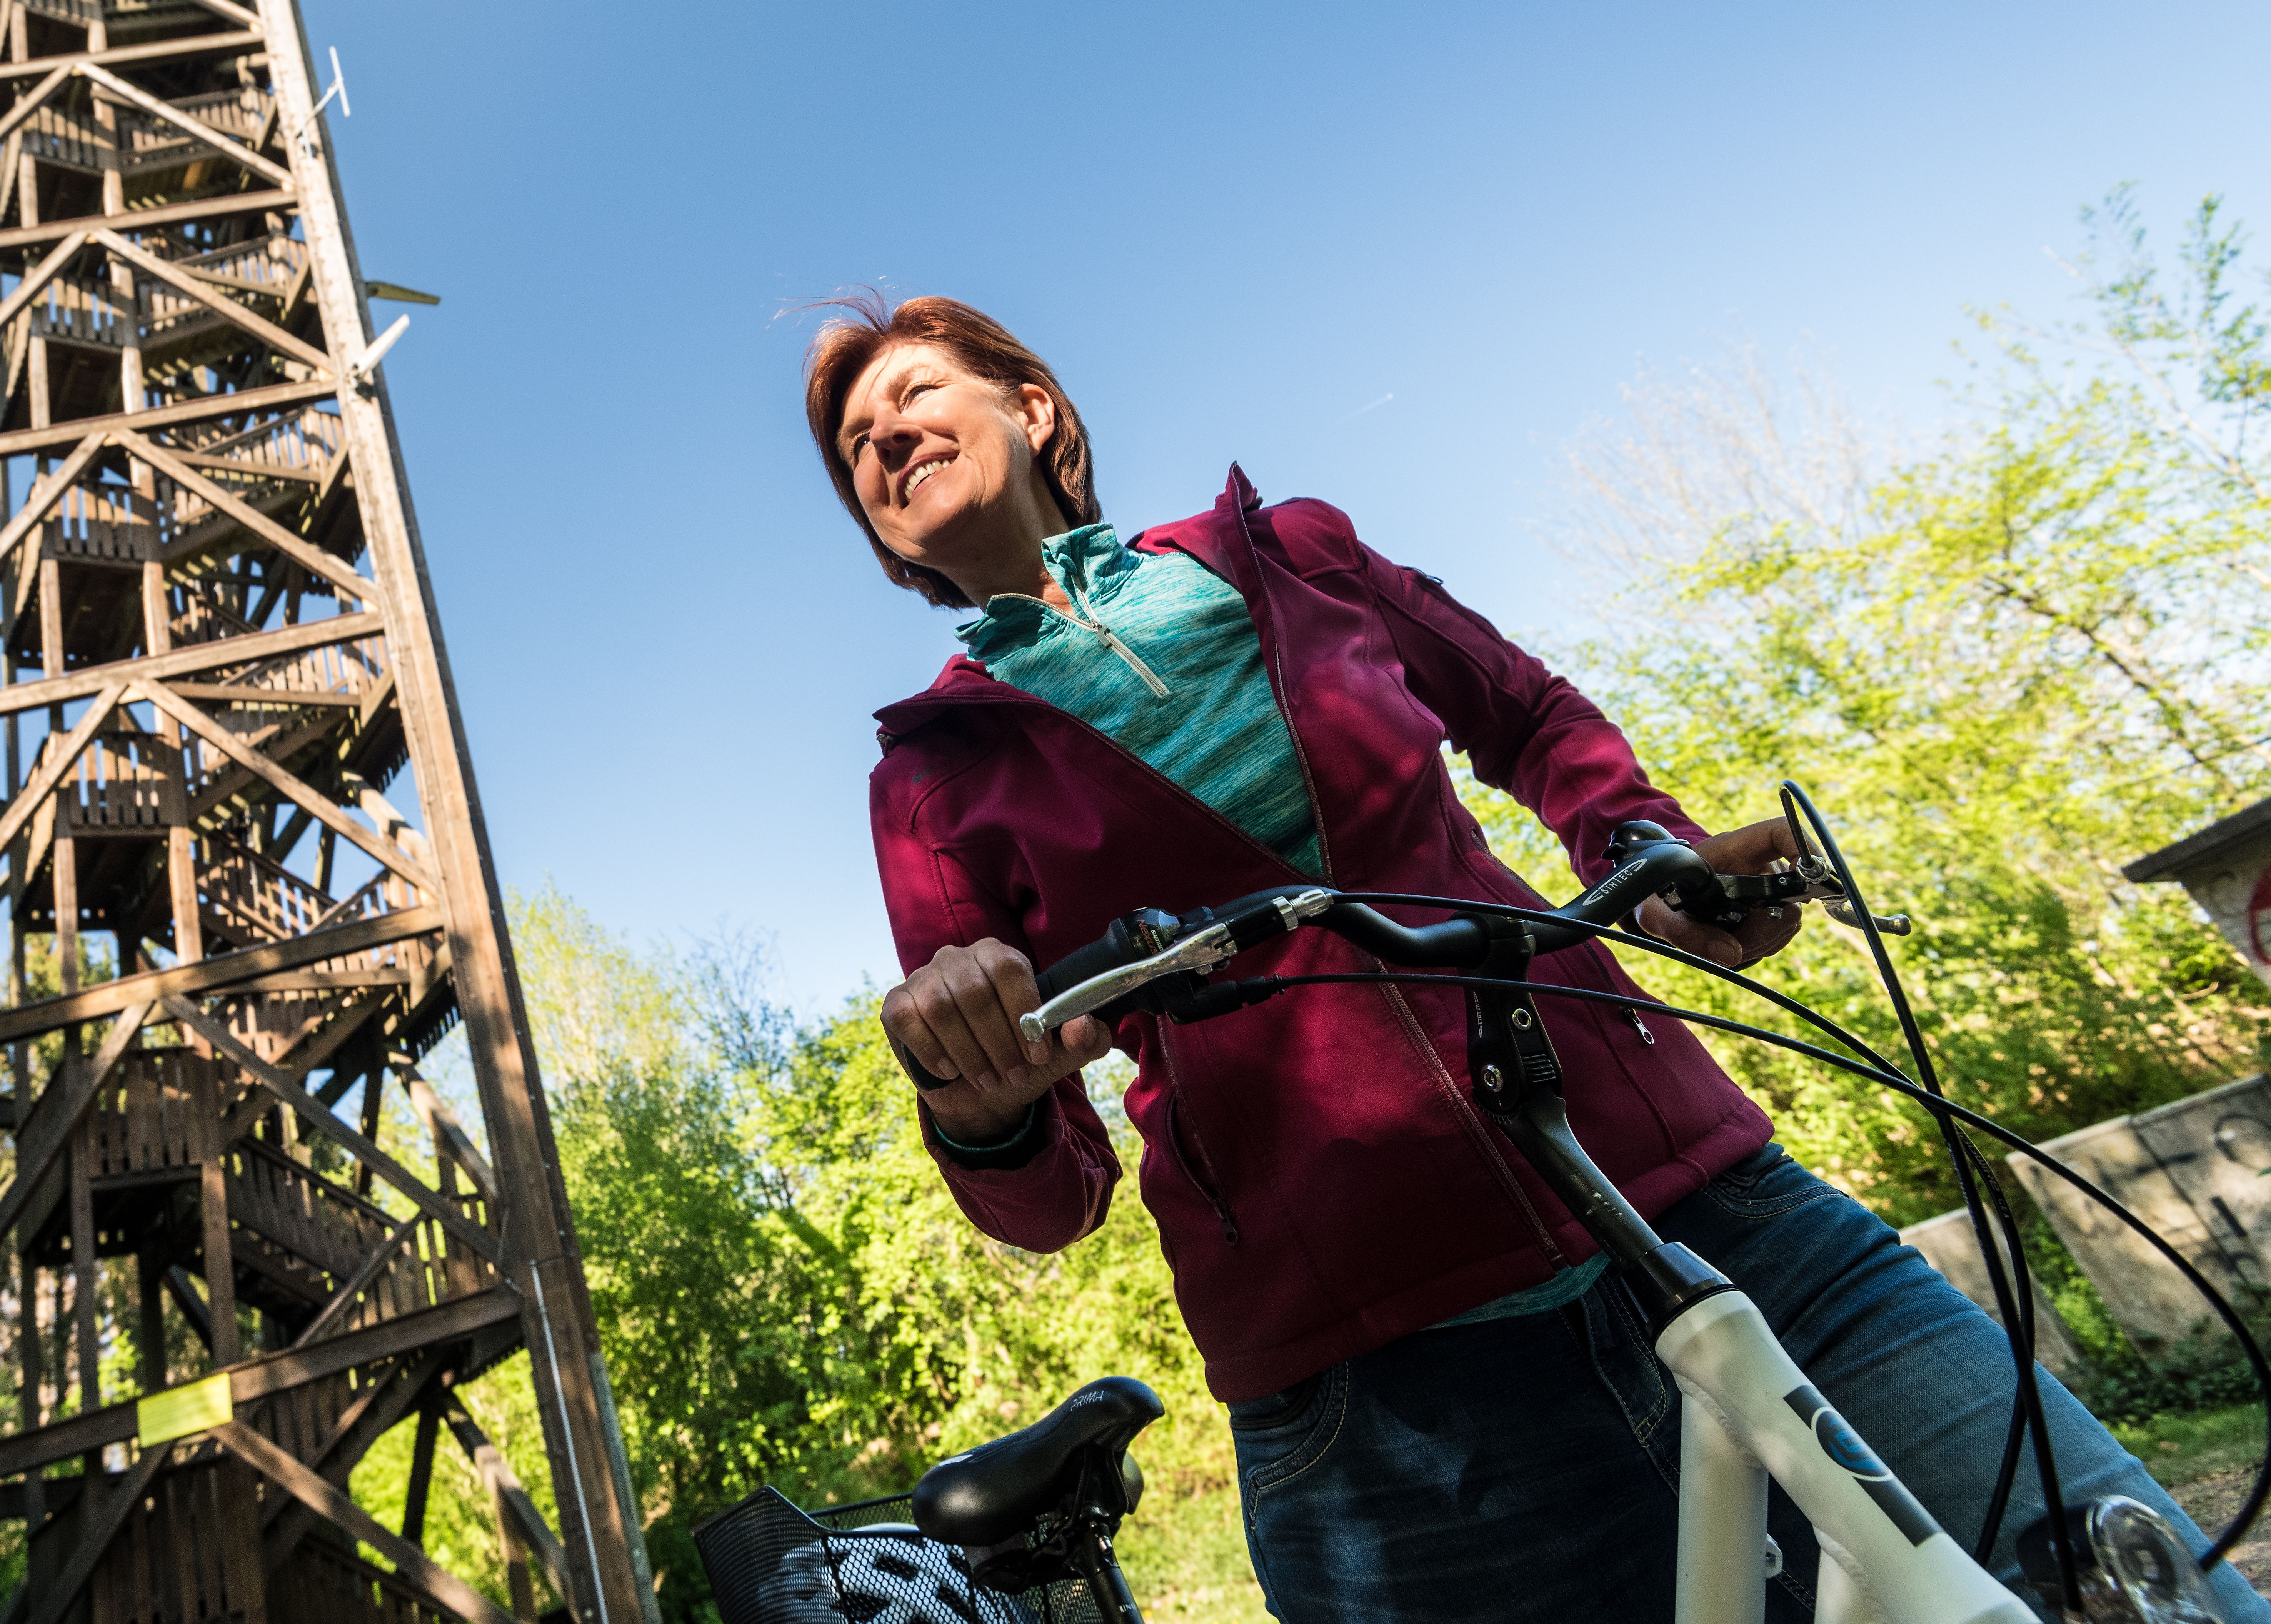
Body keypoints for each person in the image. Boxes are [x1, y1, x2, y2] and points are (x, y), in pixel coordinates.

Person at [811, 293, 2260, 1623]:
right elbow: (1051, 1192)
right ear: (883, 537)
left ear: (1036, 412)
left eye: (915, 393)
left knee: (2135, 1577)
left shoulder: (1292, 552)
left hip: (1708, 1212)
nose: (886, 436)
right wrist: (980, 1105)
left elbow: (1529, 714)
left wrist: (1642, 848)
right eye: (856, 446)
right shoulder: (933, 777)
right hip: (1380, 1390)